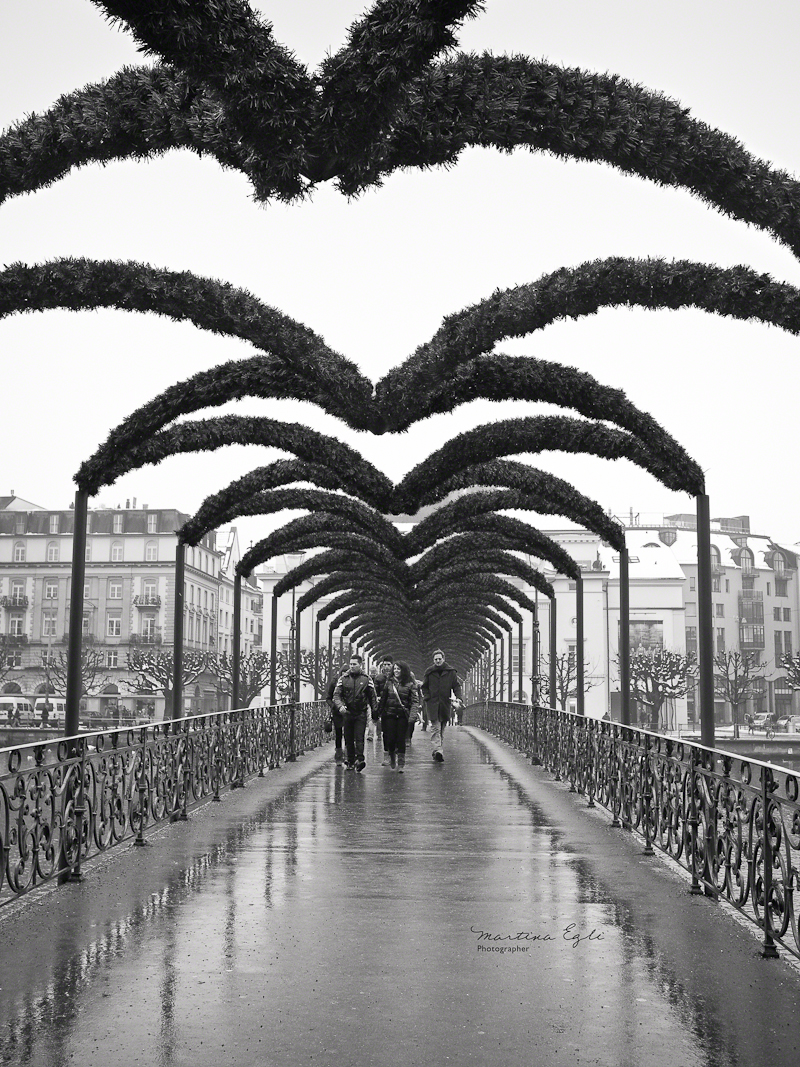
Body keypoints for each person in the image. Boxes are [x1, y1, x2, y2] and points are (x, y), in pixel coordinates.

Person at [333, 654, 377, 771]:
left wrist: (375, 712)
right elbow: (336, 695)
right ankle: (350, 761)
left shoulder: (367, 679)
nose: (352, 666)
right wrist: (340, 706)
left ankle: (360, 759)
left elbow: (372, 696)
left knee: (359, 737)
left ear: (360, 665)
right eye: (351, 664)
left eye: (354, 664)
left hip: (361, 712)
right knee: (348, 738)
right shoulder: (343, 679)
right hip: (347, 712)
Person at [422, 648, 463, 763]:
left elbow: (456, 686)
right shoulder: (429, 672)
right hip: (432, 704)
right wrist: (427, 697)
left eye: (440, 659)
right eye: (436, 659)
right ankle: (438, 750)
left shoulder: (451, 672)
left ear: (443, 659)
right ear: (433, 660)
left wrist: (459, 698)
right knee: (435, 728)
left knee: (441, 730)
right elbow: (424, 687)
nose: (438, 661)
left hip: (445, 705)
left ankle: (436, 752)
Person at [376, 660, 418, 771]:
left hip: (402, 715)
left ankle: (401, 762)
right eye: (394, 669)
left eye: (398, 669)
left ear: (403, 670)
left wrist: (412, 716)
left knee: (401, 739)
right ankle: (392, 755)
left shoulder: (410, 684)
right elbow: (383, 699)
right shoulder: (389, 683)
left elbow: (414, 701)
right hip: (389, 714)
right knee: (390, 738)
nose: (396, 671)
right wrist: (377, 713)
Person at [326, 664, 349, 762]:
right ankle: (339, 755)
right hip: (337, 712)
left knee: (348, 733)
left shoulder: (353, 682)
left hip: (348, 711)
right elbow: (328, 697)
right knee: (338, 734)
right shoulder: (334, 682)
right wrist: (334, 706)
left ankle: (348, 754)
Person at [369, 656, 394, 744]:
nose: (386, 667)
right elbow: (375, 691)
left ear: (392, 665)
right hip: (383, 704)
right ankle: (385, 743)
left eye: (388, 664)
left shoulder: (396, 676)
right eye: (385, 665)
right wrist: (378, 697)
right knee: (383, 723)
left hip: (394, 704)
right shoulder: (379, 678)